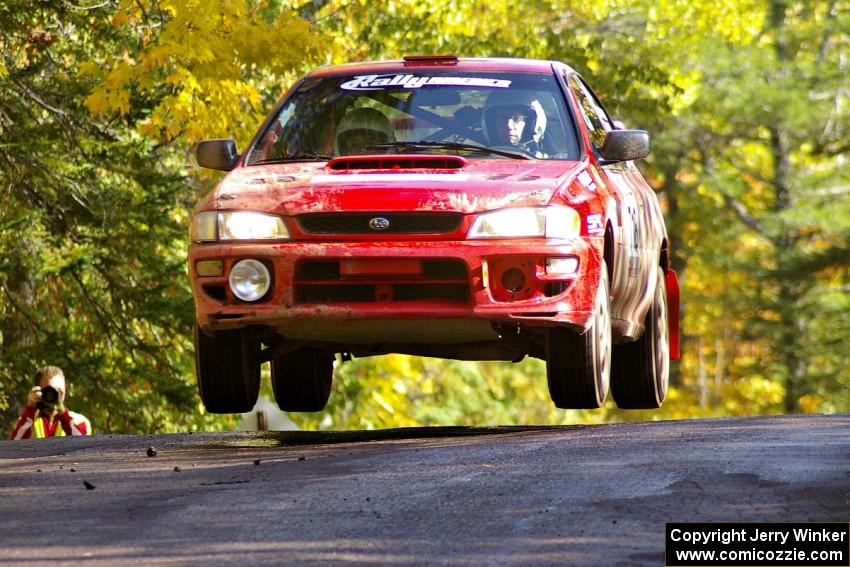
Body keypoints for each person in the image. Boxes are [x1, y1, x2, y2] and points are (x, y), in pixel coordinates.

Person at [10, 366, 91, 439]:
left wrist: (63, 413)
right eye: (48, 391)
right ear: (38, 391)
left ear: (65, 392)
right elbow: (14, 447)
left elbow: (82, 445)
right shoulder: (27, 421)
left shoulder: (79, 421)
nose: (54, 396)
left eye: (59, 392)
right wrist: (30, 408)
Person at [483, 93, 549, 157]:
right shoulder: (476, 154)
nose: (509, 126)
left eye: (516, 119)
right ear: (492, 124)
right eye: (502, 119)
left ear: (530, 124)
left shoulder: (548, 163)